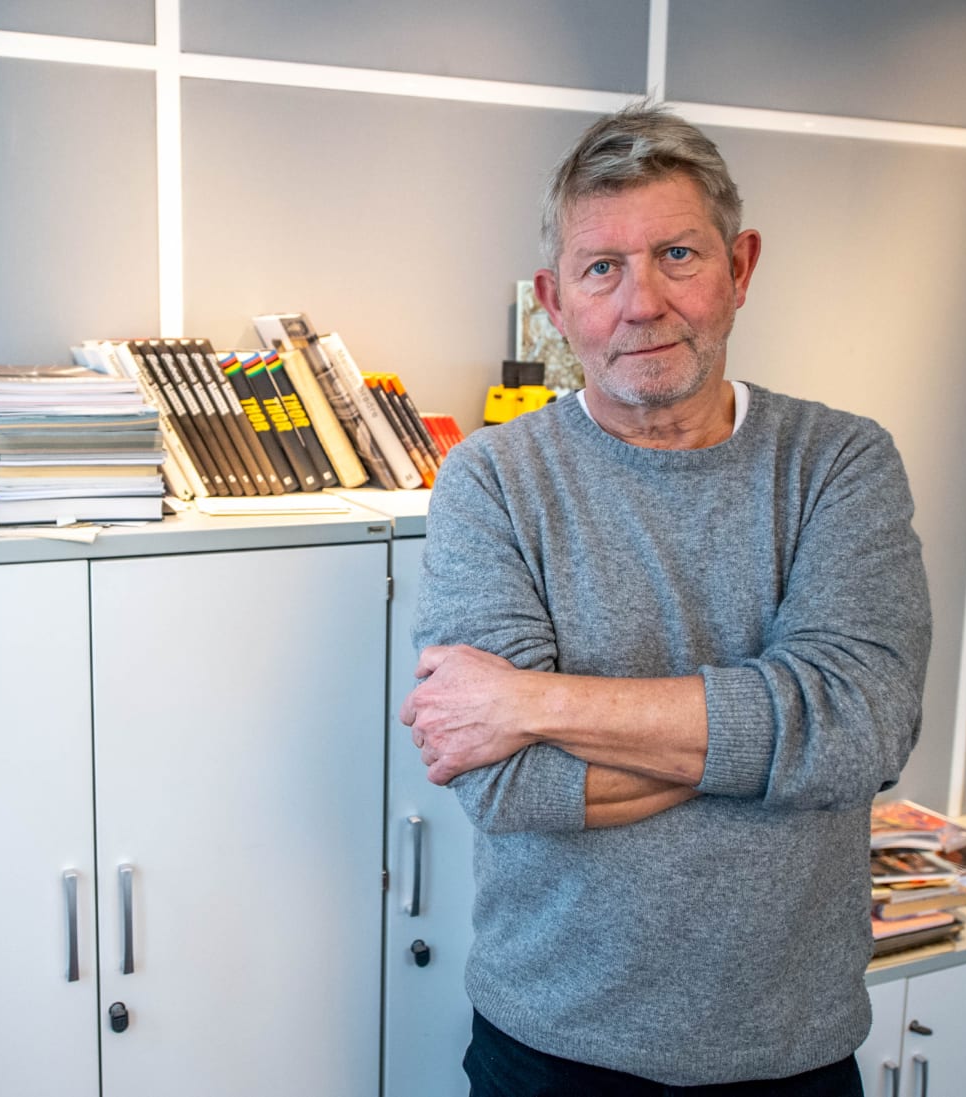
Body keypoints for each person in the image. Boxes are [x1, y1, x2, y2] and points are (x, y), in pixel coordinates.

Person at [399, 101, 932, 1095]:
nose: (641, 302)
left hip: (791, 1054)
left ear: (741, 267)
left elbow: (860, 728)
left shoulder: (839, 463)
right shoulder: (492, 479)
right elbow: (506, 786)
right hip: (547, 1048)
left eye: (677, 254)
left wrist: (532, 701)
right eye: (601, 268)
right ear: (555, 302)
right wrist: (772, 742)